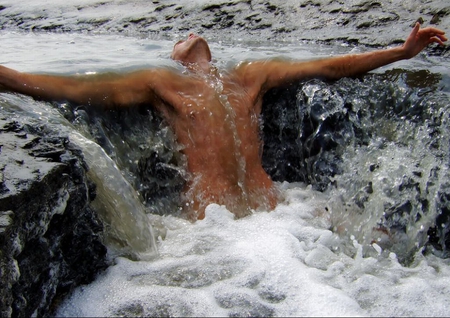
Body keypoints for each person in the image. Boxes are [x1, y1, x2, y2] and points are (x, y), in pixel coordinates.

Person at [0, 23, 446, 220]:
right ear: (174, 56)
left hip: (276, 210)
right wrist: (9, 79)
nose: (189, 33)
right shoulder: (161, 82)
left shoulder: (251, 75)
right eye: (178, 36)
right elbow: (68, 87)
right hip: (211, 221)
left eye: (193, 30)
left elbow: (332, 66)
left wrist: (400, 54)